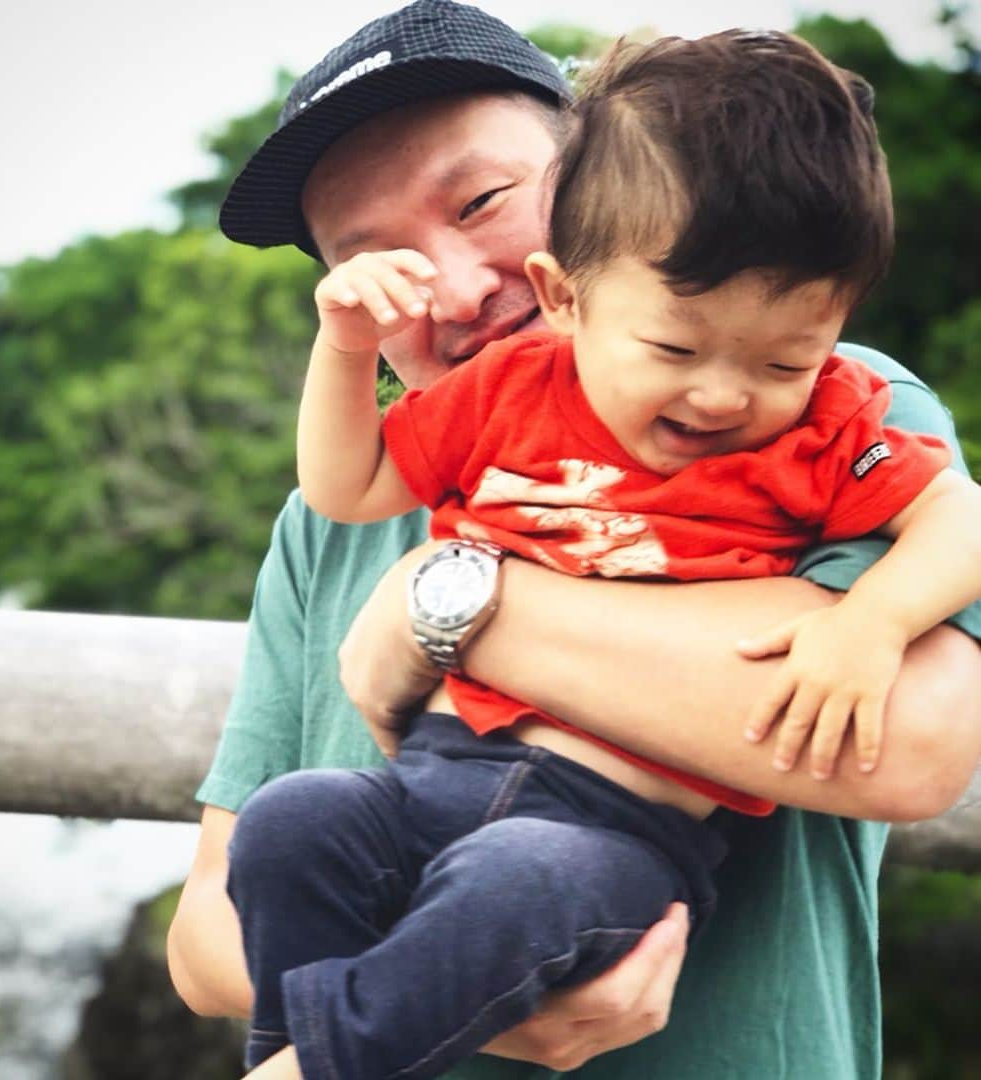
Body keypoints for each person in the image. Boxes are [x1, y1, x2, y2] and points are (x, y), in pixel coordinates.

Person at [167, 3, 981, 1078]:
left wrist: (449, 603)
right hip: (419, 903)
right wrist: (465, 988)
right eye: (374, 259)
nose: (456, 288)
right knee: (301, 821)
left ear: (593, 180)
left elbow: (915, 745)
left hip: (638, 908)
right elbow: (205, 934)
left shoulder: (799, 398)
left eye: (484, 201)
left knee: (523, 879)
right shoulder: (328, 519)